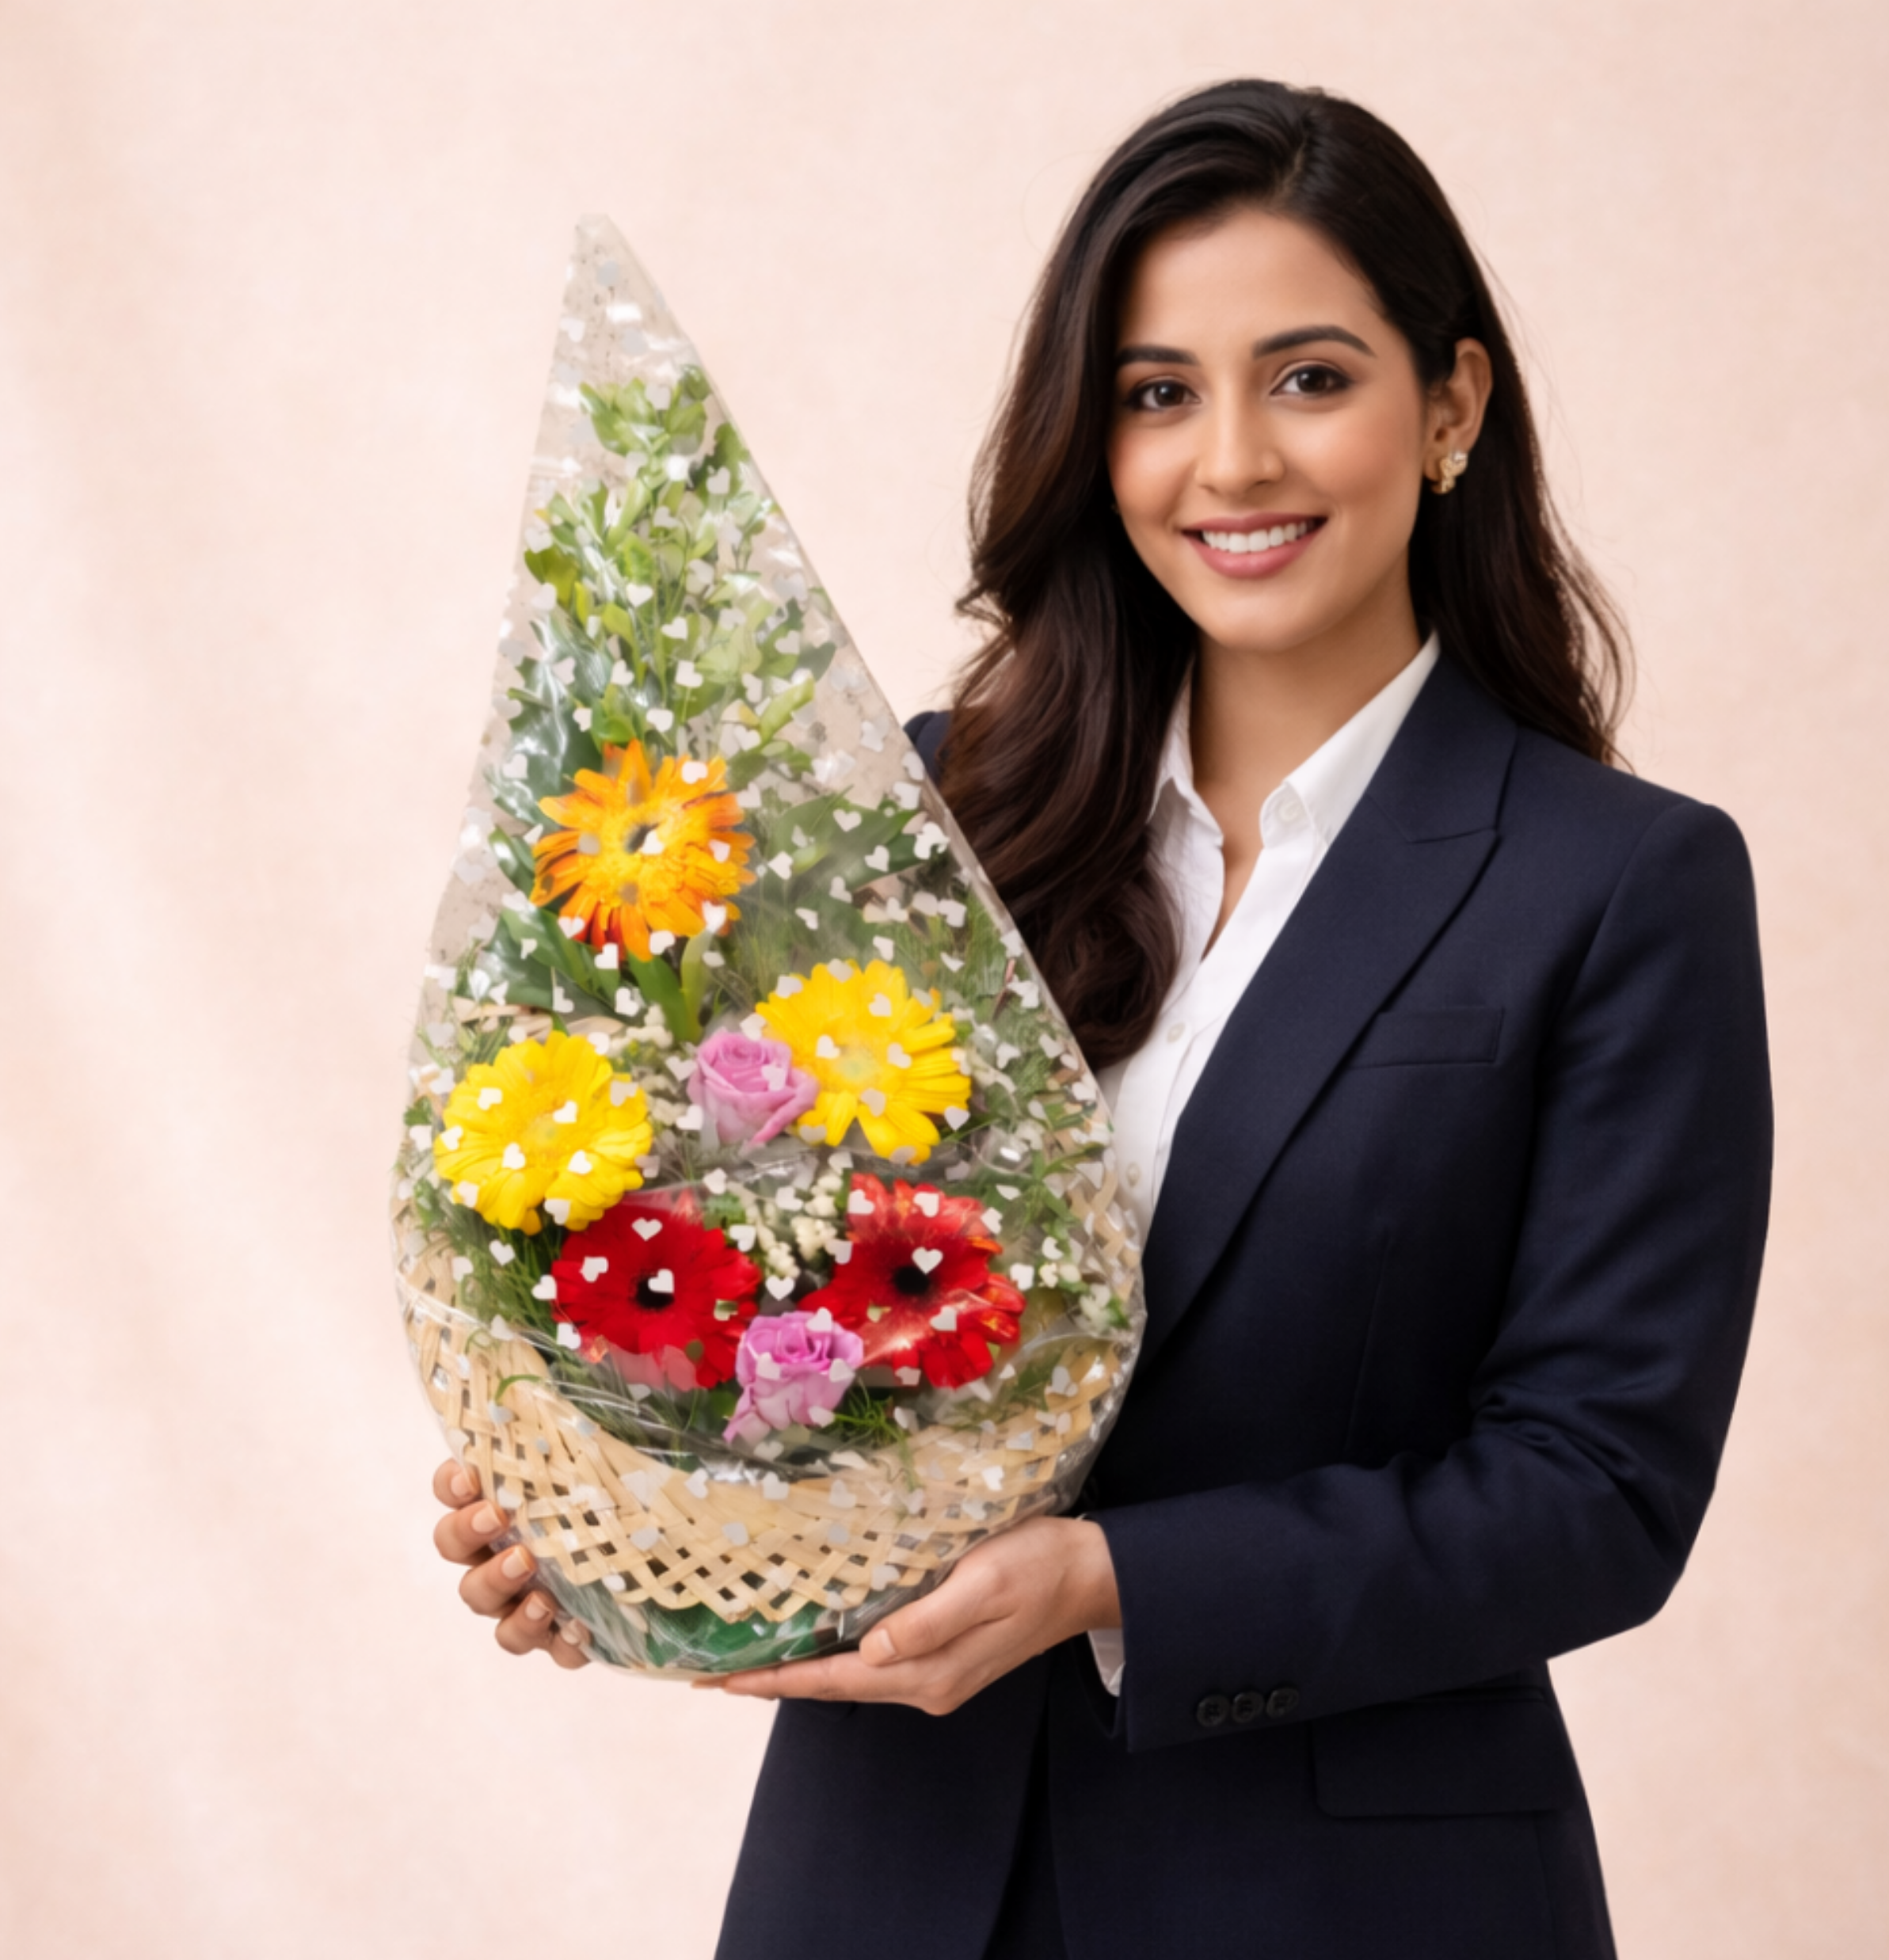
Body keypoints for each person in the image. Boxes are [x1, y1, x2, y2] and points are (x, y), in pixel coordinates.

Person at [430, 80, 1773, 1960]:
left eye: (1308, 376)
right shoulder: (931, 819)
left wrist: (1112, 1581)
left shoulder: (1616, 885)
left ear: (1450, 406)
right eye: (1157, 393)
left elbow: (1595, 1488)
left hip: (1347, 1900)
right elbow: (747, 1273)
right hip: (880, 1878)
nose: (1229, 459)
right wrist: (615, 1520)